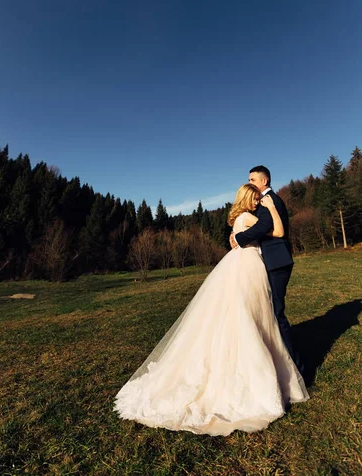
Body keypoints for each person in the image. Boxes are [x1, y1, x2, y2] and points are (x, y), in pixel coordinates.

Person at [114, 183, 309, 436]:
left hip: (238, 264)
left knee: (243, 313)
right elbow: (278, 230)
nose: (257, 201)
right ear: (246, 199)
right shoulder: (249, 216)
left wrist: (239, 236)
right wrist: (271, 207)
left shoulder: (238, 218)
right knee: (254, 315)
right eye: (254, 198)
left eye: (258, 198)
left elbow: (241, 237)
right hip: (249, 267)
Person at [230, 166, 304, 375]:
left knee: (276, 314)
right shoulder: (261, 203)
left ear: (264, 180)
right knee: (270, 312)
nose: (250, 182)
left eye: (253, 179)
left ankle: (298, 369)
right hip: (270, 262)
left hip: (277, 263)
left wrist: (238, 238)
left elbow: (267, 228)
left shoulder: (268, 201)